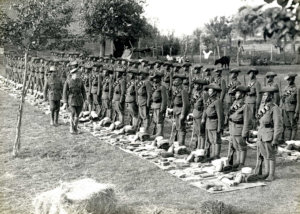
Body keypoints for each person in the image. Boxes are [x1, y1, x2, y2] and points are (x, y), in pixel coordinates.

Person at [255, 86, 283, 181]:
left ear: (270, 96)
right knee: (264, 154)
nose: (263, 97)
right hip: (262, 133)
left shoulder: (274, 108)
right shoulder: (262, 107)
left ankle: (271, 174)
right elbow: (260, 120)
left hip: (269, 133)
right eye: (263, 95)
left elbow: (278, 124)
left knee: (270, 155)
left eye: (265, 95)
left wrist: (275, 138)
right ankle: (266, 172)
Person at [228, 86, 252, 169]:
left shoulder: (245, 106)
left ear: (242, 94)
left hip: (239, 127)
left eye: (238, 93)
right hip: (233, 127)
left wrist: (245, 132)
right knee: (235, 146)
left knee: (242, 146)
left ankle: (242, 163)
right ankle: (237, 161)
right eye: (236, 93)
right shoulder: (235, 103)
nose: (236, 94)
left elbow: (247, 121)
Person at [62, 64, 86, 134]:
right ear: (72, 74)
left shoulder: (80, 81)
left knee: (77, 115)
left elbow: (83, 91)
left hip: (79, 100)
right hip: (71, 99)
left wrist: (85, 99)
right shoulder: (68, 81)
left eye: (77, 73)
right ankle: (71, 128)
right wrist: (65, 101)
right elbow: (64, 92)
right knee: (72, 113)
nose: (77, 74)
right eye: (75, 73)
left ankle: (75, 128)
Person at [202, 83, 223, 161]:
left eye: (211, 91)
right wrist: (203, 119)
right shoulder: (209, 100)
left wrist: (220, 127)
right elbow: (206, 110)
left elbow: (220, 115)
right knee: (211, 140)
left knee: (216, 140)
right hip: (209, 122)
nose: (209, 92)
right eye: (209, 91)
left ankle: (216, 155)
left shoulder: (217, 101)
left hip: (215, 122)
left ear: (214, 92)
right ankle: (213, 154)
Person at [171, 73, 190, 146]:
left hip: (180, 110)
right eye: (175, 80)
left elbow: (186, 104)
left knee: (181, 128)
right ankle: (177, 142)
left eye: (177, 80)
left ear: (181, 82)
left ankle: (181, 143)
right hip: (176, 110)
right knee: (177, 127)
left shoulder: (183, 91)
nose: (175, 81)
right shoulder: (176, 90)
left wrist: (183, 114)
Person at [281, 73, 300, 141]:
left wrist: (296, 112)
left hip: (292, 109)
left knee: (293, 126)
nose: (288, 81)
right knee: (287, 125)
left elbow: (298, 102)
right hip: (285, 108)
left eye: (289, 80)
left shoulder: (296, 89)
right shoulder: (286, 88)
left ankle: (292, 141)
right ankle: (288, 140)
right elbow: (283, 99)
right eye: (287, 80)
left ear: (293, 79)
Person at [191, 79, 209, 149]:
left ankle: (201, 147)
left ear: (200, 85)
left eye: (196, 84)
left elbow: (206, 107)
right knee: (197, 132)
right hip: (195, 113)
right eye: (195, 84)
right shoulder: (195, 92)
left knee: (201, 133)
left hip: (201, 114)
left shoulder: (204, 94)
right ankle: (198, 146)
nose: (195, 86)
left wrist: (204, 118)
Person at [150, 71, 167, 137]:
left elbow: (164, 99)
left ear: (159, 79)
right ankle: (156, 133)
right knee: (155, 120)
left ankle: (159, 133)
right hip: (154, 106)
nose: (154, 80)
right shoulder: (155, 87)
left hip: (159, 106)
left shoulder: (162, 87)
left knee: (159, 121)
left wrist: (163, 108)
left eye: (156, 78)